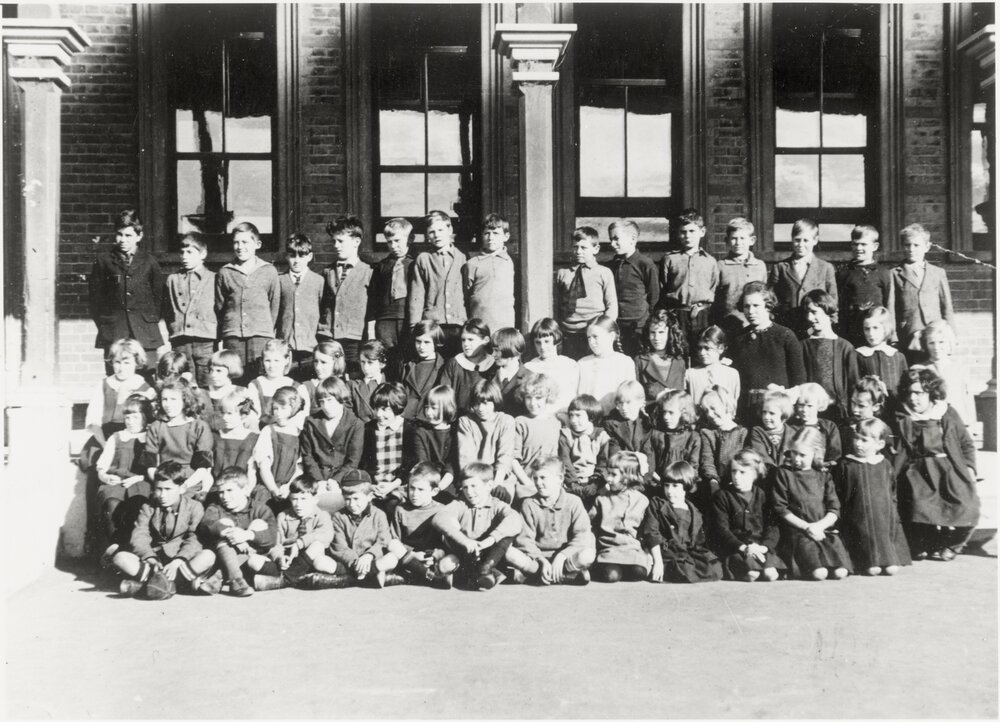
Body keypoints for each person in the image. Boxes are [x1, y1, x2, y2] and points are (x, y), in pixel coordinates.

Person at [894, 367, 979, 561]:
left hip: (948, 468)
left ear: (931, 393)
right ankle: (927, 542)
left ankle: (953, 543)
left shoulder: (945, 412)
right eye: (910, 393)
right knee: (921, 507)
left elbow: (965, 443)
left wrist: (970, 468)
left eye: (919, 393)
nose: (913, 398)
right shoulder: (904, 417)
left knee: (967, 506)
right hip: (918, 470)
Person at [112, 461, 216, 599]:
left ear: (182, 488)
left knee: (208, 556)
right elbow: (140, 534)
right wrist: (150, 558)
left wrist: (178, 560)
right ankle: (175, 584)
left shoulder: (194, 507)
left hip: (181, 561)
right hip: (156, 560)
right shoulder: (148, 507)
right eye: (158, 489)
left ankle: (149, 585)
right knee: (120, 558)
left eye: (168, 489)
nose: (162, 495)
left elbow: (194, 538)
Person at [88, 209, 165, 373]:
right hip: (115, 330)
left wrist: (147, 320)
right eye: (119, 234)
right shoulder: (104, 261)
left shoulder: (149, 263)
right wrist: (106, 323)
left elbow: (158, 298)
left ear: (139, 236)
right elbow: (95, 300)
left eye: (128, 235)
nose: (123, 240)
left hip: (144, 332)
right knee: (116, 377)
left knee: (147, 377)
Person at [771, 427, 852, 581]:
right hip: (798, 532)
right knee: (819, 574)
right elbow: (780, 508)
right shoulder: (783, 474)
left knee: (840, 573)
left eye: (802, 455)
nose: (796, 459)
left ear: (816, 453)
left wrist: (819, 526)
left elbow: (834, 509)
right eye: (794, 452)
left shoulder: (823, 476)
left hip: (823, 531)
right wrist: (807, 527)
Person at [835, 418, 911, 576]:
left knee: (891, 569)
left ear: (880, 445)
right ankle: (865, 561)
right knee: (872, 568)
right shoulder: (846, 465)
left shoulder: (884, 465)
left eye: (864, 440)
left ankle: (887, 558)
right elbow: (840, 494)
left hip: (882, 519)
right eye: (856, 438)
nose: (858, 444)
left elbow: (892, 492)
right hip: (856, 518)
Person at [507, 456, 596, 585]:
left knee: (587, 554)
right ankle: (564, 576)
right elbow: (524, 540)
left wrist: (562, 556)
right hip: (537, 558)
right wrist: (541, 560)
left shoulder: (574, 502)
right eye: (535, 478)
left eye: (543, 478)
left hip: (565, 558)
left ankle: (537, 576)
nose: (538, 483)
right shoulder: (528, 504)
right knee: (510, 553)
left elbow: (582, 535)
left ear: (559, 479)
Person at [435, 462, 523, 590]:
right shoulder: (461, 504)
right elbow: (439, 517)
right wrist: (464, 541)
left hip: (490, 554)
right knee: (445, 565)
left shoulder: (497, 504)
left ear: (489, 485)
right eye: (465, 487)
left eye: (474, 486)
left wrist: (490, 539)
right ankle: (487, 576)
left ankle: (484, 572)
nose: (469, 492)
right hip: (466, 553)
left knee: (507, 536)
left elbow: (515, 519)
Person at [728, 281, 806, 423]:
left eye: (756, 306)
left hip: (775, 411)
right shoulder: (738, 339)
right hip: (746, 410)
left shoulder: (785, 336)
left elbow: (798, 379)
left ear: (768, 306)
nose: (751, 311)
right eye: (746, 306)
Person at [215, 221, 280, 385]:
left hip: (260, 336)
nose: (240, 246)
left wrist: (264, 329)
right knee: (235, 381)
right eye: (236, 242)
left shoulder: (269, 271)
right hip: (233, 336)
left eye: (245, 242)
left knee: (258, 380)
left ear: (257, 244)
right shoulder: (225, 272)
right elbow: (220, 307)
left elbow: (274, 305)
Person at [198, 466, 279, 596]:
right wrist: (232, 535)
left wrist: (247, 535)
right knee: (224, 525)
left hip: (253, 560)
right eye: (221, 492)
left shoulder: (260, 509)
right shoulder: (215, 508)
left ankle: (219, 577)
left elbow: (272, 537)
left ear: (245, 489)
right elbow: (207, 524)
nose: (225, 496)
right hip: (223, 554)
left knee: (259, 524)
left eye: (230, 490)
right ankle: (236, 580)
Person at [93, 395, 155, 561]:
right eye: (127, 417)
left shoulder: (150, 437)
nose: (130, 421)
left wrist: (138, 478)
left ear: (144, 417)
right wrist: (105, 477)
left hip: (141, 480)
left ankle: (131, 549)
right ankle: (115, 545)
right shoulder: (116, 437)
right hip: (116, 481)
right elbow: (102, 467)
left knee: (138, 502)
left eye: (135, 417)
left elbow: (153, 468)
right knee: (111, 501)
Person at [641, 461, 723, 583]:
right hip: (666, 553)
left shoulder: (693, 511)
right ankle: (668, 570)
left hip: (686, 554)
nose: (669, 491)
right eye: (667, 485)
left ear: (686, 487)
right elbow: (652, 533)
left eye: (675, 486)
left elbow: (697, 542)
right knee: (681, 569)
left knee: (715, 567)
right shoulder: (657, 504)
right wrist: (657, 561)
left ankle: (686, 571)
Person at [709, 450, 784, 582]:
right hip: (736, 548)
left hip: (760, 547)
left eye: (742, 472)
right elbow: (721, 529)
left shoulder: (762, 495)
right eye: (734, 471)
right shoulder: (722, 496)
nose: (737, 476)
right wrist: (744, 548)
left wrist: (764, 547)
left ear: (754, 474)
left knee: (770, 574)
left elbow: (772, 527)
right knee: (752, 574)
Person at [318, 470, 400, 588]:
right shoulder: (339, 516)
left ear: (370, 497)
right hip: (349, 563)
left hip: (371, 560)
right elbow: (339, 546)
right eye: (347, 499)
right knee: (321, 562)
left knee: (392, 559)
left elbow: (383, 540)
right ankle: (369, 575)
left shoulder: (379, 515)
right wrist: (356, 562)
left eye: (356, 498)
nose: (351, 504)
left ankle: (355, 577)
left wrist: (369, 555)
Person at [408, 210, 468, 358]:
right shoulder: (424, 259)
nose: (437, 235)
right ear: (427, 236)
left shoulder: (462, 257)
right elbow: (417, 294)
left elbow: (468, 292)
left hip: (457, 324)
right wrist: (414, 325)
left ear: (450, 230)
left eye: (441, 230)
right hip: (433, 325)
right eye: (432, 232)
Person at [319, 216, 373, 375]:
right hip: (329, 337)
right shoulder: (326, 272)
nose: (336, 246)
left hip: (354, 340)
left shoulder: (368, 272)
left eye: (341, 241)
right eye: (334, 241)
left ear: (356, 241)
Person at [142, 378, 213, 497]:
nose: (168, 404)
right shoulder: (156, 427)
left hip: (189, 482)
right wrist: (163, 485)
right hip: (163, 481)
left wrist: (183, 486)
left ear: (185, 401)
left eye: (173, 399)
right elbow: (151, 467)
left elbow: (203, 469)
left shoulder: (199, 426)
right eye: (164, 399)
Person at [892, 222, 954, 356]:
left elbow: (947, 307)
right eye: (907, 245)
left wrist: (951, 334)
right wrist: (893, 338)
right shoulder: (894, 274)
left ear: (927, 247)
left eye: (916, 245)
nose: (911, 249)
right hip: (908, 335)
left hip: (935, 335)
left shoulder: (938, 273)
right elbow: (891, 308)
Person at [768, 218, 838, 338]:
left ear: (815, 240)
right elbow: (770, 299)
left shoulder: (825, 268)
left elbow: (833, 301)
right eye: (797, 240)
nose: (801, 245)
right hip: (787, 327)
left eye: (806, 240)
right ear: (791, 239)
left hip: (814, 329)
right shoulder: (780, 268)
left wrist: (823, 327)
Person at [385, 462, 452, 587]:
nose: (415, 494)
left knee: (448, 562)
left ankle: (409, 577)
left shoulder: (441, 510)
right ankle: (429, 578)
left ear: (434, 491)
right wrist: (414, 555)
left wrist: (435, 555)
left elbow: (445, 543)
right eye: (412, 488)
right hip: (408, 557)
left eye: (421, 490)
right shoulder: (401, 509)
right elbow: (395, 539)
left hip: (430, 557)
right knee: (393, 546)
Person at [163, 233, 216, 388]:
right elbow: (168, 312)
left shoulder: (214, 279)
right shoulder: (173, 280)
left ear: (203, 254)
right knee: (182, 382)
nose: (184, 256)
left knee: (206, 383)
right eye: (182, 252)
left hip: (205, 341)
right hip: (180, 340)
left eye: (190, 252)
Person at [556, 226, 617, 360]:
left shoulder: (603, 273)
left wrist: (603, 330)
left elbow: (612, 306)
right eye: (575, 247)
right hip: (568, 332)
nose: (578, 252)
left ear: (596, 249)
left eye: (583, 248)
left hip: (594, 333)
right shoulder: (563, 273)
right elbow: (556, 304)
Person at [84, 338, 157, 450]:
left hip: (134, 442)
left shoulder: (144, 387)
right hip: (105, 439)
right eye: (117, 362)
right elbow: (94, 421)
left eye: (127, 363)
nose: (122, 368)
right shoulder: (104, 385)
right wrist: (105, 445)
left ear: (136, 362)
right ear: (112, 362)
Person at [660, 208, 719, 345]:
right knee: (678, 349)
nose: (688, 236)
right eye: (683, 232)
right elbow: (663, 287)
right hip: (677, 314)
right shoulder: (670, 259)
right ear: (678, 234)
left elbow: (713, 287)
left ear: (702, 232)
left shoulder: (710, 261)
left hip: (703, 315)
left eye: (692, 231)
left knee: (702, 349)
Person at [591, 452, 651, 583]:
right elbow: (589, 525)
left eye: (614, 475)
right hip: (608, 548)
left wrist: (647, 552)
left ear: (627, 477)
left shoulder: (641, 500)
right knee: (611, 576)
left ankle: (624, 568)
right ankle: (608, 568)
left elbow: (646, 531)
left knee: (639, 573)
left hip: (631, 548)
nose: (608, 478)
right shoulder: (602, 499)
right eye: (608, 473)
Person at [800, 289, 859, 422]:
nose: (810, 318)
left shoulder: (845, 347)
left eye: (814, 312)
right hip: (811, 415)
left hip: (840, 414)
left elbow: (853, 384)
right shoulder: (803, 346)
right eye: (807, 313)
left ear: (827, 311)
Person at [299, 376, 364, 494]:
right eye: (322, 402)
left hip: (344, 478)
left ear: (341, 399)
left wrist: (336, 480)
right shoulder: (311, 422)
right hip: (316, 479)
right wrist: (318, 480)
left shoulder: (356, 424)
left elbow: (353, 460)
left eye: (330, 400)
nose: (326, 406)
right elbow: (307, 456)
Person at [269, 477, 337, 589]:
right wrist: (280, 557)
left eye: (304, 499)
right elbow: (276, 543)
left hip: (311, 558)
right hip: (290, 558)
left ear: (315, 499)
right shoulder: (283, 517)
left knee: (318, 546)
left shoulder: (322, 515)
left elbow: (326, 535)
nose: (298, 504)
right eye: (294, 499)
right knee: (255, 561)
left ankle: (286, 579)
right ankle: (297, 577)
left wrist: (300, 543)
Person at [360, 382, 416, 518]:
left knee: (393, 507)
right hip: (373, 487)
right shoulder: (368, 429)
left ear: (397, 408)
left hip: (398, 485)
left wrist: (392, 485)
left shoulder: (409, 429)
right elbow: (363, 464)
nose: (379, 414)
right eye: (377, 408)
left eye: (385, 409)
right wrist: (371, 486)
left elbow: (411, 464)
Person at [604, 219, 659, 356]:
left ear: (633, 238)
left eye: (616, 239)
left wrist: (645, 323)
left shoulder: (645, 264)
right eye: (611, 239)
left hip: (638, 328)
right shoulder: (610, 266)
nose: (612, 244)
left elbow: (654, 298)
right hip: (616, 327)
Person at [455, 379, 516, 499]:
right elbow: (466, 456)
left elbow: (505, 455)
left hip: (499, 477)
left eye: (486, 403)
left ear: (495, 401)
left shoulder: (506, 421)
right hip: (473, 476)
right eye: (477, 404)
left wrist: (497, 483)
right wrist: (474, 484)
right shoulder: (466, 421)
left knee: (500, 498)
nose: (481, 408)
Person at [836, 224, 895, 349]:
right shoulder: (844, 273)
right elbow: (839, 304)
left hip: (876, 332)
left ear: (875, 246)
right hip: (851, 331)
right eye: (855, 244)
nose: (858, 248)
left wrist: (891, 334)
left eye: (863, 244)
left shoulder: (883, 273)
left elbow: (889, 304)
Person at [277, 232, 325, 381]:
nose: (296, 260)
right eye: (292, 255)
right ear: (286, 256)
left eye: (301, 256)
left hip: (310, 348)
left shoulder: (319, 281)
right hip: (286, 348)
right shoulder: (279, 281)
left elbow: (323, 314)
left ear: (309, 257)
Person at [367, 217, 414, 360]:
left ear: (410, 239)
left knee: (407, 357)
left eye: (397, 241)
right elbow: (373, 299)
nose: (393, 246)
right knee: (387, 359)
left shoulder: (416, 263)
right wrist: (371, 327)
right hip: (385, 321)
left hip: (406, 318)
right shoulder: (381, 266)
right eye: (389, 242)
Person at [697, 385, 748, 511]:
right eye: (706, 411)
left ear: (726, 405)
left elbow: (746, 462)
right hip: (716, 485)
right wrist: (713, 482)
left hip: (739, 482)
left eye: (713, 408)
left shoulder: (743, 433)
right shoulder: (707, 433)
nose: (710, 414)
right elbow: (707, 460)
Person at [713, 217, 767, 337]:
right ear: (727, 241)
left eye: (742, 238)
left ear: (752, 240)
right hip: (728, 325)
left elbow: (765, 297)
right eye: (734, 238)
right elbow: (714, 300)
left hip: (755, 324)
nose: (738, 243)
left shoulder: (759, 266)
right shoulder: (720, 266)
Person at [510, 374, 561, 500]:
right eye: (528, 398)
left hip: (551, 483)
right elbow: (513, 459)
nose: (533, 403)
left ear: (547, 398)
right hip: (526, 483)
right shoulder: (520, 422)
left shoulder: (556, 422)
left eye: (538, 398)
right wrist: (527, 483)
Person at [462, 213, 515, 333]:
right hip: (479, 325)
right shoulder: (472, 263)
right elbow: (466, 295)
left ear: (506, 236)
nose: (490, 237)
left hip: (505, 324)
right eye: (487, 233)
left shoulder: (512, 262)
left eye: (496, 233)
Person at [251, 386, 304, 505]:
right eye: (275, 408)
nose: (278, 413)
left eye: (283, 408)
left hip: (290, 486)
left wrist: (288, 486)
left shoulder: (300, 434)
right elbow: (263, 465)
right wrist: (274, 489)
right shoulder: (268, 431)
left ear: (293, 408)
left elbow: (299, 468)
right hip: (268, 486)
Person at [922, 320, 977, 430]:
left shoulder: (960, 369)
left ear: (949, 342)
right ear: (925, 344)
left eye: (941, 342)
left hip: (956, 423)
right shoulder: (921, 369)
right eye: (931, 343)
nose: (936, 347)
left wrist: (971, 424)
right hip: (931, 425)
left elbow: (967, 399)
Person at [576, 315, 636, 415]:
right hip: (590, 420)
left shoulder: (625, 362)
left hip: (616, 420)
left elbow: (630, 396)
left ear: (611, 336)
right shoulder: (582, 363)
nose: (591, 342)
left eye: (595, 337)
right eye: (589, 338)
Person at [558, 394, 609, 509]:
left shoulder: (601, 436)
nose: (573, 420)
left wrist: (595, 484)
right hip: (571, 482)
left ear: (591, 416)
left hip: (594, 482)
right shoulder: (566, 435)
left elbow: (603, 462)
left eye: (578, 416)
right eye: (571, 415)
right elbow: (565, 461)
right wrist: (573, 483)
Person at [437, 317, 496, 416]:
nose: (466, 344)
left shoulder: (493, 365)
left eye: (470, 339)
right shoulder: (454, 363)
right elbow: (444, 396)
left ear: (485, 340)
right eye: (463, 340)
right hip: (457, 419)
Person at [855, 306, 908, 415]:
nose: (870, 333)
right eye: (867, 328)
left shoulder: (897, 356)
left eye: (875, 328)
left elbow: (905, 386)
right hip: (869, 412)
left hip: (894, 410)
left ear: (885, 328)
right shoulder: (858, 355)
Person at [209, 389, 258, 502]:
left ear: (244, 415)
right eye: (223, 413)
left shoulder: (252, 439)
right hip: (218, 490)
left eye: (230, 414)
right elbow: (209, 470)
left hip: (242, 491)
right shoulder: (215, 437)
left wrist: (246, 493)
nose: (225, 418)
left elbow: (251, 472)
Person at [249, 339, 310, 429]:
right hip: (262, 433)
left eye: (276, 360)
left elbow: (302, 417)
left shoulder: (298, 387)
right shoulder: (255, 385)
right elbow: (253, 416)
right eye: (267, 360)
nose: (272, 365)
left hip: (288, 434)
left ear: (286, 360)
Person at [524, 318, 579, 416]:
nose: (542, 347)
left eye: (547, 341)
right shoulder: (530, 367)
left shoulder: (570, 365)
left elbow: (575, 395)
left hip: (564, 416)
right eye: (538, 342)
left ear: (556, 339)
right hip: (539, 419)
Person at [412, 385, 459, 499]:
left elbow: (451, 467)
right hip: (426, 480)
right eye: (426, 407)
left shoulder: (455, 433)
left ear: (447, 408)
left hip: (448, 482)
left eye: (434, 408)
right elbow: (422, 463)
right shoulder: (421, 432)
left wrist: (440, 486)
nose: (428, 412)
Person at [648, 389, 701, 490]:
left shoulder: (693, 437)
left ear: (684, 413)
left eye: (671, 413)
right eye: (664, 412)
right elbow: (650, 464)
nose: (666, 417)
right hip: (657, 484)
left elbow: (693, 468)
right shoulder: (656, 435)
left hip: (682, 487)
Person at [634, 310, 687, 404]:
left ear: (670, 333)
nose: (657, 338)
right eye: (652, 332)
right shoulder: (641, 361)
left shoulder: (679, 362)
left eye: (661, 332)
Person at [603, 380, 654, 478]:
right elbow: (614, 454)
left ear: (641, 402)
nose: (623, 408)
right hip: (619, 474)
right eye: (620, 403)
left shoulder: (647, 423)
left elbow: (649, 454)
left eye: (628, 402)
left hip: (642, 474)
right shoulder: (610, 424)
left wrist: (646, 478)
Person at [397, 320, 448, 419]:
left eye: (427, 342)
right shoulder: (407, 366)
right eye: (418, 341)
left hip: (429, 420)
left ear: (436, 343)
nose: (421, 347)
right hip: (407, 419)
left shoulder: (443, 367)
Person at [787, 383, 842, 469]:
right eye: (801, 405)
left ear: (819, 405)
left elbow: (835, 454)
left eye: (810, 406)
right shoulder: (791, 427)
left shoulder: (829, 426)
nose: (805, 410)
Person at [684, 325, 740, 409]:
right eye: (699, 348)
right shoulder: (691, 374)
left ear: (720, 348)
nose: (702, 353)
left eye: (707, 348)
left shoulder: (731, 374)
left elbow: (733, 404)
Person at [746, 389, 796, 471]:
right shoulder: (758, 432)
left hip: (787, 474)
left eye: (771, 413)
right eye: (764, 412)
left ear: (783, 415)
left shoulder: (792, 433)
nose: (766, 417)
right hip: (767, 473)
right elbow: (762, 455)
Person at [491, 327, 535, 417]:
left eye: (496, 350)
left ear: (509, 350)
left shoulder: (529, 377)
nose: (493, 354)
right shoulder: (490, 375)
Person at [347, 340, 389, 424]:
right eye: (363, 362)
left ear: (382, 363)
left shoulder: (390, 384)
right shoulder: (352, 385)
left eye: (370, 363)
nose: (365, 367)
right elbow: (348, 413)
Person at [204, 349, 246, 431]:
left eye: (219, 371)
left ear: (231, 371)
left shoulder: (240, 392)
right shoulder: (205, 394)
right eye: (211, 370)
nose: (213, 375)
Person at [303, 340, 347, 411]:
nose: (317, 367)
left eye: (323, 362)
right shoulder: (308, 388)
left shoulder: (345, 386)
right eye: (315, 361)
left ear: (335, 362)